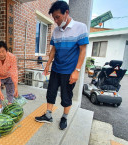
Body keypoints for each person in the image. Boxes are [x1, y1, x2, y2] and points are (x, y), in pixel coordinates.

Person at [35, 1, 89, 130]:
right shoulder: (56, 31)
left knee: (66, 96)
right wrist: (48, 65)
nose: (56, 21)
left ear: (66, 13)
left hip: (69, 71)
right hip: (56, 69)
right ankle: (48, 115)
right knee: (51, 92)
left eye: (57, 17)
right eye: (54, 18)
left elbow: (83, 50)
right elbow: (53, 49)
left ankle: (64, 117)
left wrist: (77, 71)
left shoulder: (81, 27)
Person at [0, 41, 18, 114]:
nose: (1, 54)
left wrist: (16, 87)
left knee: (10, 90)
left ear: (6, 50)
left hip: (8, 76)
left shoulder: (12, 57)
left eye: (3, 51)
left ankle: (10, 104)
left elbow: (14, 71)